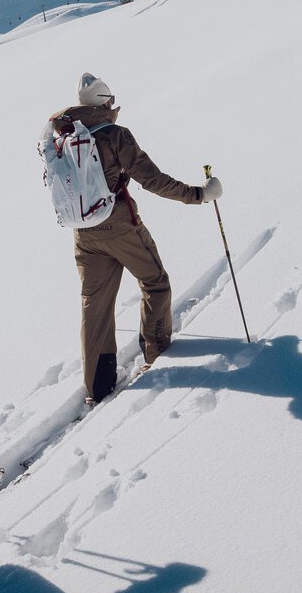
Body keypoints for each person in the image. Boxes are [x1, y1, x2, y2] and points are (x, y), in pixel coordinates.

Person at [49, 73, 220, 405]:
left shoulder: (65, 134)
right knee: (155, 283)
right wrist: (198, 194)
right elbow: (152, 179)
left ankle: (97, 386)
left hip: (83, 233)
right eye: (111, 100)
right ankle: (157, 355)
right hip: (120, 226)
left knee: (95, 305)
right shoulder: (115, 135)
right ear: (104, 103)